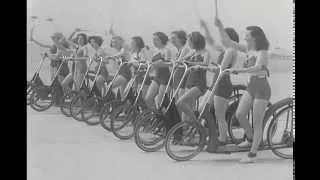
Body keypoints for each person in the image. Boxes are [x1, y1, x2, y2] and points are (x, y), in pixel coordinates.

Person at [215, 17, 271, 163]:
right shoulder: (248, 49)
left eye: (247, 34)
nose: (244, 36)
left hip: (262, 88)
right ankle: (251, 138)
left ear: (254, 37)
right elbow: (228, 42)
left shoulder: (263, 53)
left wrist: (238, 70)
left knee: (257, 122)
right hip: (251, 86)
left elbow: (257, 68)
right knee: (239, 114)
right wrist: (220, 26)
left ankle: (252, 154)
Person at [200, 20, 240, 146]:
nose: (221, 39)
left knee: (219, 115)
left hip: (222, 84)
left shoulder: (231, 50)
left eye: (223, 36)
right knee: (202, 108)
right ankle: (212, 133)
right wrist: (206, 27)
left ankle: (223, 139)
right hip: (216, 82)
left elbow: (221, 69)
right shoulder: (226, 49)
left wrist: (206, 68)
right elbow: (211, 42)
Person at [176, 32, 210, 126]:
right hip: (189, 82)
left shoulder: (206, 52)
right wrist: (180, 61)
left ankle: (196, 124)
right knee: (187, 108)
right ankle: (185, 130)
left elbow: (205, 64)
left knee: (180, 102)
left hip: (199, 84)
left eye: (189, 41)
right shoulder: (192, 52)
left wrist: (195, 65)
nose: (188, 44)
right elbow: (182, 60)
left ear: (195, 41)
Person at [144, 32, 173, 111]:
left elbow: (168, 64)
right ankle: (156, 116)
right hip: (157, 77)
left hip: (165, 78)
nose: (154, 41)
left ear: (161, 40)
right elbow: (152, 66)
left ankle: (161, 119)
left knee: (160, 102)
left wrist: (157, 64)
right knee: (147, 99)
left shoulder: (167, 50)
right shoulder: (154, 51)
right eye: (153, 39)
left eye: (156, 39)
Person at [169, 30, 193, 97]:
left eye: (174, 38)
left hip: (182, 77)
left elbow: (177, 63)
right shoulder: (178, 51)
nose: (172, 40)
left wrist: (172, 62)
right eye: (171, 38)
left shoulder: (185, 49)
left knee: (179, 98)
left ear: (181, 39)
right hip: (177, 76)